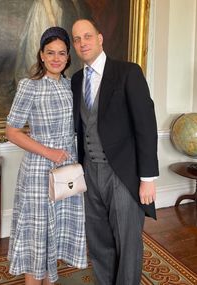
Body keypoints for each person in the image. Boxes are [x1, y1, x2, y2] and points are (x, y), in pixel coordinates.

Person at [71, 19, 159, 285]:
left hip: (123, 173)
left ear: (100, 38)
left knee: (127, 244)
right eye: (76, 39)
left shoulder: (128, 72)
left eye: (87, 36)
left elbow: (146, 126)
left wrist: (147, 179)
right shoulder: (76, 80)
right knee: (98, 241)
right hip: (90, 174)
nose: (82, 42)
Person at [6, 27, 87, 285]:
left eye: (61, 53)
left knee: (57, 234)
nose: (56, 58)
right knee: (38, 236)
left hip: (67, 171)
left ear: (68, 57)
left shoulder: (70, 85)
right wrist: (49, 152)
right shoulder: (29, 86)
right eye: (50, 53)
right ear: (41, 55)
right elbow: (12, 132)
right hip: (39, 171)